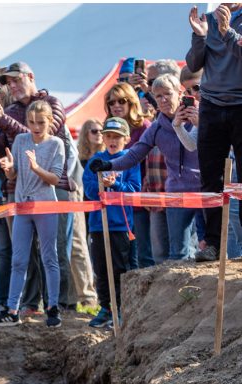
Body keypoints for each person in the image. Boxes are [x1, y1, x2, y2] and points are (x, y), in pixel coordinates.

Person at [88, 74, 201, 263]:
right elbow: (133, 155)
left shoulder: (199, 117)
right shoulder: (156, 128)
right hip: (176, 193)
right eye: (158, 96)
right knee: (178, 254)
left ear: (180, 93)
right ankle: (180, 293)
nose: (163, 99)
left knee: (206, 250)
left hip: (204, 191)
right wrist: (108, 165)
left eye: (167, 94)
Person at [0, 100, 65, 328]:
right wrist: (9, 168)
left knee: (49, 257)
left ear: (50, 122)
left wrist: (35, 168)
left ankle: (53, 307)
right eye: (31, 122)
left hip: (46, 207)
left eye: (41, 122)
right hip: (22, 206)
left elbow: (55, 179)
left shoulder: (56, 144)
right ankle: (12, 310)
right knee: (18, 259)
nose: (36, 127)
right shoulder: (21, 140)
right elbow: (13, 177)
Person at [186, 3, 242, 262]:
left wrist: (226, 30)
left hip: (240, 104)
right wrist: (199, 35)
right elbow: (194, 63)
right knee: (210, 178)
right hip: (210, 104)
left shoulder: (229, 20)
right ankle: (212, 245)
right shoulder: (207, 17)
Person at [83, 117, 141, 330]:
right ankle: (106, 307)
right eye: (108, 136)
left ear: (126, 139)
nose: (112, 140)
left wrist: (115, 183)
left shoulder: (130, 160)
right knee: (100, 267)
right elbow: (88, 188)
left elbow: (134, 189)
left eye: (116, 137)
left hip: (121, 224)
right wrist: (101, 185)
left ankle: (122, 309)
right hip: (98, 224)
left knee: (120, 268)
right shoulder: (96, 160)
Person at [104, 81, 153, 269]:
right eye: (111, 102)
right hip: (119, 204)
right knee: (125, 259)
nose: (116, 105)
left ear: (131, 102)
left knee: (144, 256)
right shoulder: (108, 128)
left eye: (121, 100)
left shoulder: (145, 127)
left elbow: (151, 166)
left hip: (140, 201)